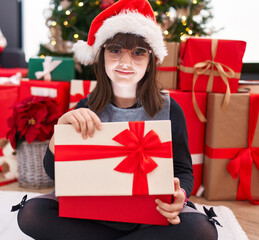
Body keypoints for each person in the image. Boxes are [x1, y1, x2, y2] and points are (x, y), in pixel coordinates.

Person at [16, 0, 218, 239]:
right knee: (31, 213)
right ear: (101, 55)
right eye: (115, 50)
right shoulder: (86, 108)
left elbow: (183, 170)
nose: (125, 62)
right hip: (93, 215)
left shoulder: (170, 109)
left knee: (203, 230)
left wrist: (180, 195)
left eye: (138, 52)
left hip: (151, 216)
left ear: (151, 60)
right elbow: (55, 175)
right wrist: (59, 134)